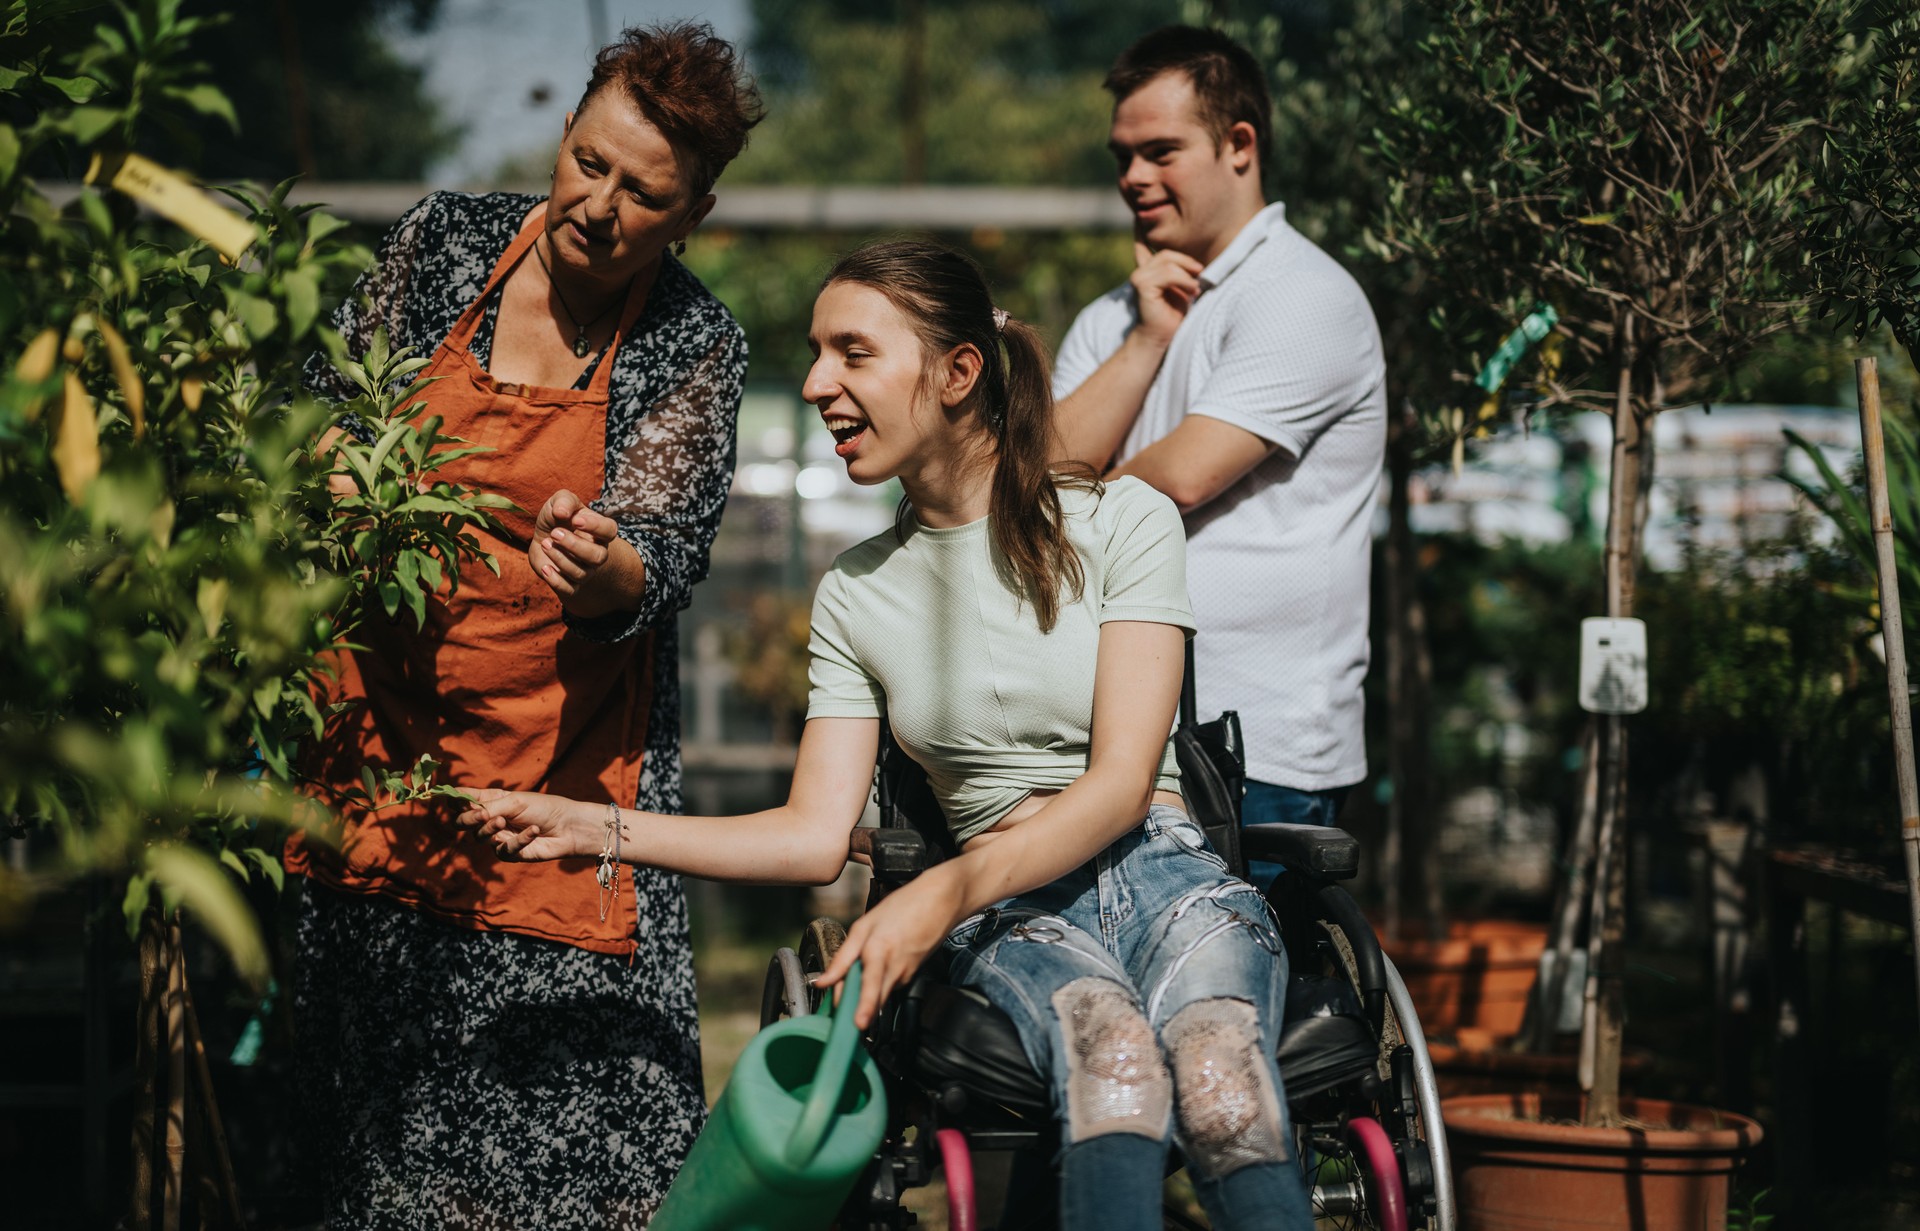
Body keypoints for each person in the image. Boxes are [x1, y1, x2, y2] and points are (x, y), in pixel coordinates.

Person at [458, 241, 1315, 1231]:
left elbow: (1124, 782)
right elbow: (813, 835)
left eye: (852, 352)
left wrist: (944, 885)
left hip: (1163, 870)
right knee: (1111, 1064)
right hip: (1018, 916)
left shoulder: (1124, 520)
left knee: (1222, 1078)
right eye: (817, 353)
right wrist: (590, 825)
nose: (819, 383)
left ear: (958, 373)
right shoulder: (857, 592)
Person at [286, 22, 762, 1228]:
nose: (599, 205)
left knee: (581, 1167)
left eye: (643, 191)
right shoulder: (443, 244)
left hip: (554, 794)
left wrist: (601, 568)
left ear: (691, 212)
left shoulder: (694, 341)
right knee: (375, 1162)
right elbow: (318, 403)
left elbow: (659, 557)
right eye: (589, 163)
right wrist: (335, 462)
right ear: (564, 137)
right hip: (378, 763)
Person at [1052, 26, 1387, 889]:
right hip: (1107, 736)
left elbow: (1183, 476)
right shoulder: (1111, 320)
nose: (1133, 177)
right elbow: (1047, 467)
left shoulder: (1304, 295)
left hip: (1259, 747)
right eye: (1122, 155)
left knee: (1230, 1010)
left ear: (1240, 145)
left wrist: (1065, 488)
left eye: (1160, 150)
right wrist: (1143, 342)